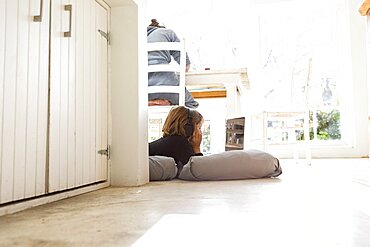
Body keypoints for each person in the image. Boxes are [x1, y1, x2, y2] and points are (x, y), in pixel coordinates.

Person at [147, 19, 199, 108]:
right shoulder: (167, 32)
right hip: (168, 85)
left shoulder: (137, 38)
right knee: (190, 105)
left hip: (144, 91)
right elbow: (184, 63)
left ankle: (152, 102)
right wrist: (186, 65)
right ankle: (167, 103)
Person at [149, 106, 204, 174]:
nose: (200, 133)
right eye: (199, 128)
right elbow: (198, 171)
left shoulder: (171, 141)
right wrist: (197, 148)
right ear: (189, 128)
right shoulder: (179, 142)